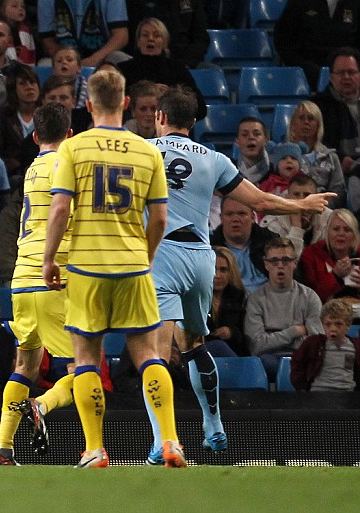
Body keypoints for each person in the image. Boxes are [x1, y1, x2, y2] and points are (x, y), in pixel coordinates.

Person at [146, 85, 333, 462]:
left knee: (156, 352)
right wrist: (304, 203)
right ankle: (213, 424)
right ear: (195, 123)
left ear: (159, 118)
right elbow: (261, 201)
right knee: (196, 344)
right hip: (201, 256)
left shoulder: (144, 151)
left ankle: (163, 441)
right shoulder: (213, 158)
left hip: (161, 253)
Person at [42, 69, 184, 468]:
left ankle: (95, 449)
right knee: (148, 354)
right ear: (125, 103)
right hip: (133, 266)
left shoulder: (74, 148)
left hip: (86, 267)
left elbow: (60, 208)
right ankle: (170, 440)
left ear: (87, 105)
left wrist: (50, 258)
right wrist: (147, 256)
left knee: (86, 358)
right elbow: (159, 219)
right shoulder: (148, 150)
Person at [0, 102, 77, 465]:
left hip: (21, 278)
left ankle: (3, 449)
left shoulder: (30, 170)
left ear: (35, 136)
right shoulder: (67, 166)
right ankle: (41, 405)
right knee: (83, 369)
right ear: (70, 135)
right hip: (54, 276)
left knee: (24, 365)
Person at [274, 0, 360, 88]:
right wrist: (304, 68)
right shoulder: (299, 2)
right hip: (309, 75)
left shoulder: (355, 1)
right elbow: (283, 41)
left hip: (347, 72)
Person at [245, 237, 323, 379]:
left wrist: (272, 339)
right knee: (264, 363)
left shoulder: (310, 297)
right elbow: (256, 346)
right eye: (274, 261)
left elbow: (316, 345)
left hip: (302, 358)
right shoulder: (255, 300)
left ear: (295, 263)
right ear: (266, 264)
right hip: (269, 360)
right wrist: (294, 331)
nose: (280, 265)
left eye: (286, 260)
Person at [116, 18, 201, 111]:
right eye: (145, 35)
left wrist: (172, 97)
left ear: (164, 42)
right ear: (138, 42)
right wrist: (146, 91)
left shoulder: (178, 69)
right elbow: (114, 105)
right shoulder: (123, 69)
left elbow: (200, 108)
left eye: (156, 36)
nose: (150, 39)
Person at [313, 49, 360, 195]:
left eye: (351, 72)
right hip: (335, 167)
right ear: (331, 76)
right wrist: (340, 158)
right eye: (340, 73)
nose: (346, 77)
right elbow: (315, 142)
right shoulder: (318, 106)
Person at [290, 298, 360, 392]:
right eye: (328, 324)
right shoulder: (313, 343)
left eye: (338, 324)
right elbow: (297, 364)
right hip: (318, 392)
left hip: (347, 393)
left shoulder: (355, 346)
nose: (333, 328)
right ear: (322, 325)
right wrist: (302, 388)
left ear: (348, 325)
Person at [210, 197, 279, 291]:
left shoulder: (270, 241)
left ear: (252, 217)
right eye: (229, 214)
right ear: (221, 218)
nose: (235, 219)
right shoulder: (209, 248)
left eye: (241, 214)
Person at [0, 63, 40, 189]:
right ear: (13, 90)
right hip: (14, 177)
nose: (29, 87)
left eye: (33, 82)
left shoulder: (48, 116)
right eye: (23, 83)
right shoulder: (1, 118)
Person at [259, 174, 334, 258]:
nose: (302, 200)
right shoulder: (271, 224)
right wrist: (296, 228)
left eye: (307, 195)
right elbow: (285, 264)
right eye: (296, 194)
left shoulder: (329, 219)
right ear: (287, 198)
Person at [286, 100, 346, 205]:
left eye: (311, 118)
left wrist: (321, 206)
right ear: (293, 123)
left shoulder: (331, 157)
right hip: (290, 208)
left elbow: (338, 191)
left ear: (318, 125)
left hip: (323, 209)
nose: (306, 122)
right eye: (301, 118)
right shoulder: (284, 156)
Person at [300, 209, 360, 303]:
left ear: (355, 235)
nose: (341, 234)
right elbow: (312, 297)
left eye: (347, 230)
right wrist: (335, 275)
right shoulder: (311, 255)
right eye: (336, 229)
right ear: (327, 232)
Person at [207, 246, 248, 357]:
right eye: (213, 269)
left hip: (233, 350)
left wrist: (231, 332)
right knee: (218, 346)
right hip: (203, 351)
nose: (218, 275)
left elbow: (246, 336)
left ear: (231, 272)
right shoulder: (197, 297)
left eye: (223, 270)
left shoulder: (239, 298)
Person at [233, 116, 270, 184]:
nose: (251, 137)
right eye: (244, 135)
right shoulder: (228, 171)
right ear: (237, 142)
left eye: (256, 134)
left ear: (266, 140)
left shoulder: (277, 171)